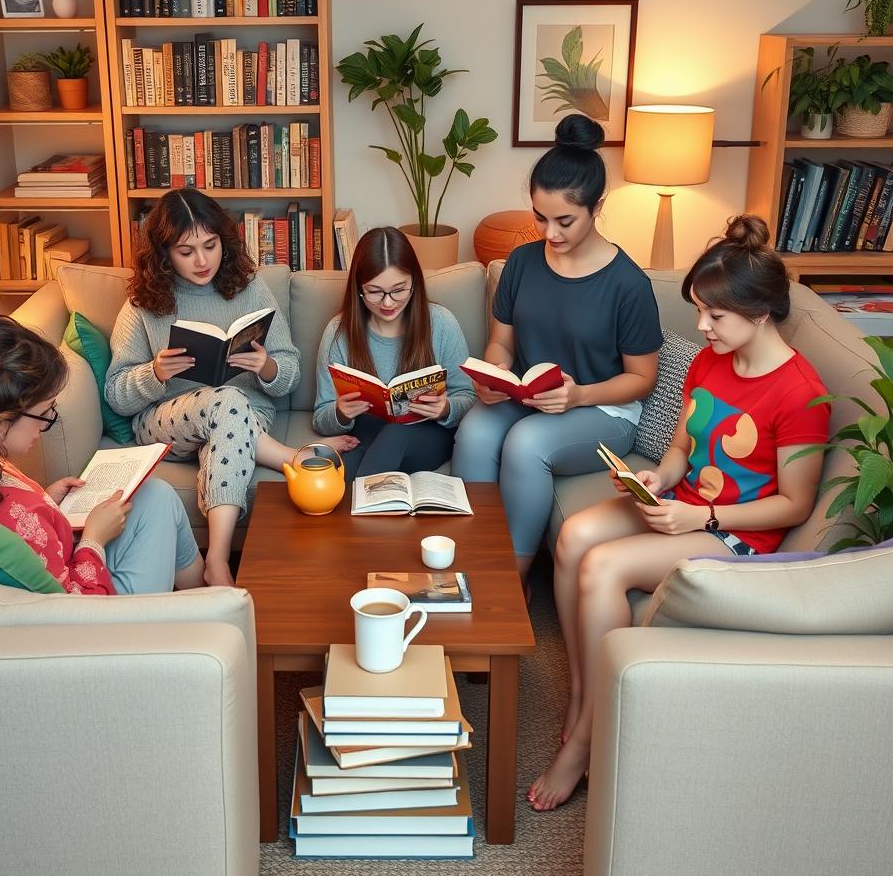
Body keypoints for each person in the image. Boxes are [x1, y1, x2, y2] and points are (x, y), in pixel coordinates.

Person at [527, 214, 831, 811]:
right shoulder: (712, 361)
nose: (700, 326)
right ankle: (587, 692)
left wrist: (705, 520)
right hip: (687, 505)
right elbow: (683, 448)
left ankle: (588, 738)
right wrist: (657, 478)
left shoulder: (799, 391)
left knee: (604, 566)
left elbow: (793, 504)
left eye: (714, 316)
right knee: (573, 537)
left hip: (740, 536)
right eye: (699, 311)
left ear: (761, 313)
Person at [105, 188, 356, 587]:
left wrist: (268, 367)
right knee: (226, 401)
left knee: (229, 415)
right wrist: (154, 373)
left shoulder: (249, 288)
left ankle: (216, 561)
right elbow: (117, 394)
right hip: (165, 423)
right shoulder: (142, 303)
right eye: (187, 251)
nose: (203, 260)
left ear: (225, 239)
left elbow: (288, 373)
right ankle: (289, 460)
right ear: (164, 252)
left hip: (244, 421)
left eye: (211, 245)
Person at [451, 114, 663, 583]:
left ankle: (508, 583)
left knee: (526, 445)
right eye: (540, 218)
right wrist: (494, 376)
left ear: (597, 207)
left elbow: (642, 379)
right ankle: (467, 563)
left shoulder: (628, 284)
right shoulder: (521, 265)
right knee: (475, 430)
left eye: (565, 220)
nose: (550, 233)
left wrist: (579, 396)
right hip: (528, 397)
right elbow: (501, 343)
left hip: (603, 411)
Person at [0, 316, 204, 596]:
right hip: (98, 614)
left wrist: (47, 499)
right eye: (44, 413)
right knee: (160, 502)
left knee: (156, 494)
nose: (45, 426)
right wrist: (93, 539)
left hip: (56, 561)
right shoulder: (12, 518)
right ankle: (194, 614)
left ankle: (203, 599)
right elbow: (76, 608)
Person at [312, 227, 476, 478]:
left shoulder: (441, 323)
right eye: (375, 292)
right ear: (358, 288)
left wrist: (445, 408)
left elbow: (469, 397)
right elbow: (321, 417)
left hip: (427, 435)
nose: (387, 303)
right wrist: (340, 413)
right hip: (366, 434)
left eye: (399, 290)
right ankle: (368, 510)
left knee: (394, 435)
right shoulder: (339, 332)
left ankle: (363, 511)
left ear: (415, 282)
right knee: (340, 471)